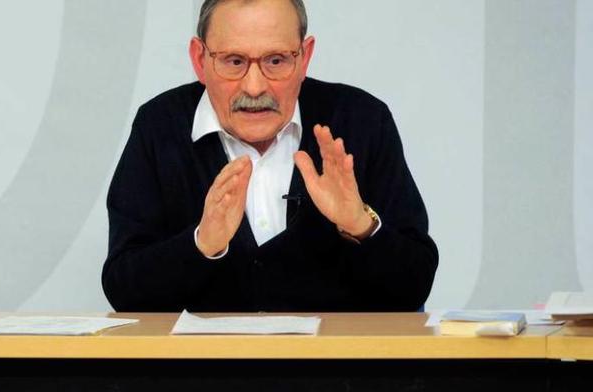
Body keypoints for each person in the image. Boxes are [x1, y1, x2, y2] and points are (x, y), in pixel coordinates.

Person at [102, 0, 438, 312]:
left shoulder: (361, 120)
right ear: (199, 60)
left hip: (337, 370)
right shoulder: (160, 125)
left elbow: (414, 286)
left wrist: (360, 226)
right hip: (205, 371)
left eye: (275, 61)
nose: (254, 87)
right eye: (234, 62)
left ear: (304, 57)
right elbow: (124, 291)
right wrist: (201, 244)